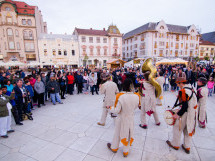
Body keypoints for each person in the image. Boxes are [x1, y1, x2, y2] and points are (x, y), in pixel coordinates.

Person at [107, 78, 140, 157]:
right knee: (128, 133)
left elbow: (117, 110)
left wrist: (110, 108)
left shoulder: (121, 97)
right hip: (130, 117)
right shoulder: (136, 96)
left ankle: (114, 147)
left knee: (117, 133)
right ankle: (126, 151)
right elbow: (135, 107)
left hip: (121, 118)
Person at [166, 77, 198, 154]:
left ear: (181, 83)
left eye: (178, 84)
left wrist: (178, 115)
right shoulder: (192, 87)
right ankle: (187, 146)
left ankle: (175, 144)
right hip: (192, 113)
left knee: (177, 128)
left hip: (185, 113)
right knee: (188, 129)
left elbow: (184, 106)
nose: (177, 85)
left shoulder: (183, 91)